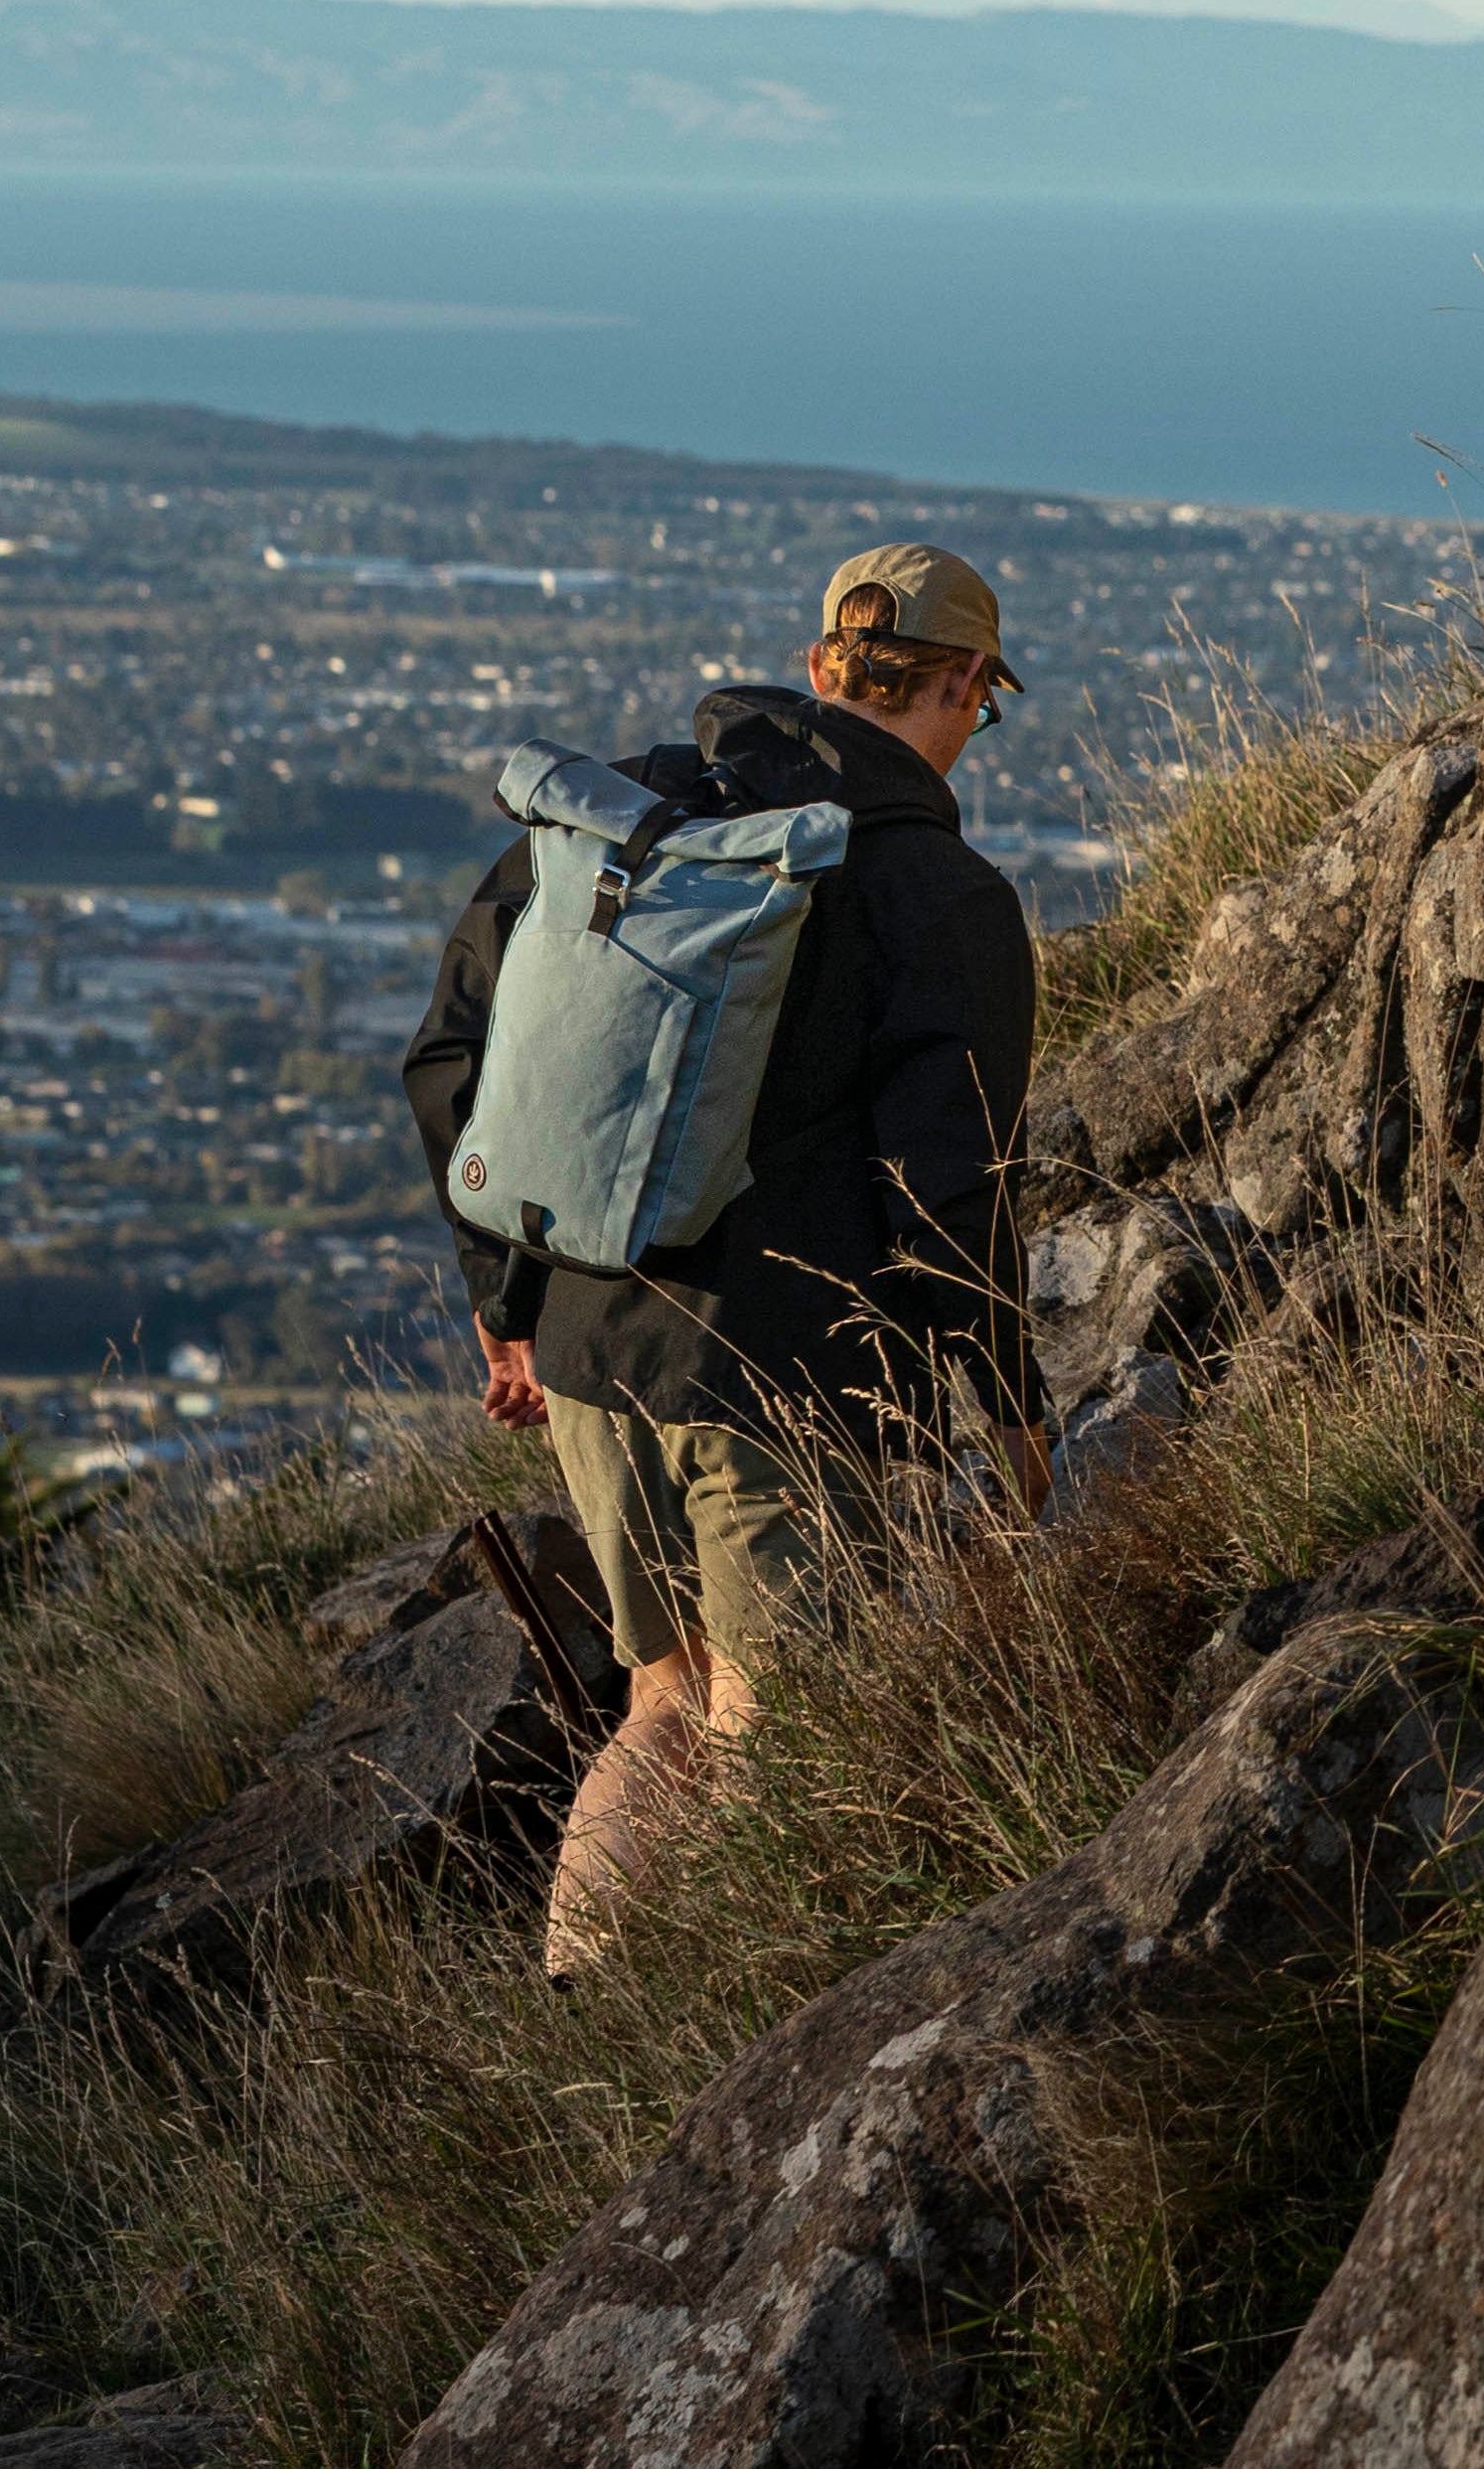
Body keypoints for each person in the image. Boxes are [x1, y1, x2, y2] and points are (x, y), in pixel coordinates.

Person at [405, 540, 1050, 1975]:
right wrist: (1008, 1400)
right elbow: (952, 1188)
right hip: (787, 1379)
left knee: (660, 1704)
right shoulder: (939, 893)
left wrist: (506, 1301)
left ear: (821, 666)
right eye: (980, 701)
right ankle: (725, 2046)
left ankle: (584, 2008)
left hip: (590, 1350)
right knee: (775, 1725)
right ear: (963, 681)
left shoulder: (623, 821)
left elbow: (459, 1059)